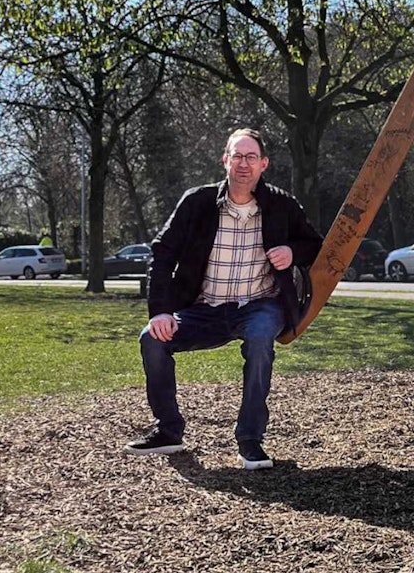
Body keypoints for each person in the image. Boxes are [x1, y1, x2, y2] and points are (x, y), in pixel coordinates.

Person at [123, 128, 323, 469]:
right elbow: (163, 251)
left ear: (263, 164)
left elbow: (315, 246)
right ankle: (168, 432)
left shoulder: (282, 205)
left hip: (259, 305)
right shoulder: (197, 202)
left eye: (251, 157)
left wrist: (291, 252)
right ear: (225, 161)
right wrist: (160, 311)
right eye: (237, 156)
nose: (243, 164)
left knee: (261, 339)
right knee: (151, 340)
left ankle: (250, 441)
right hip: (204, 309)